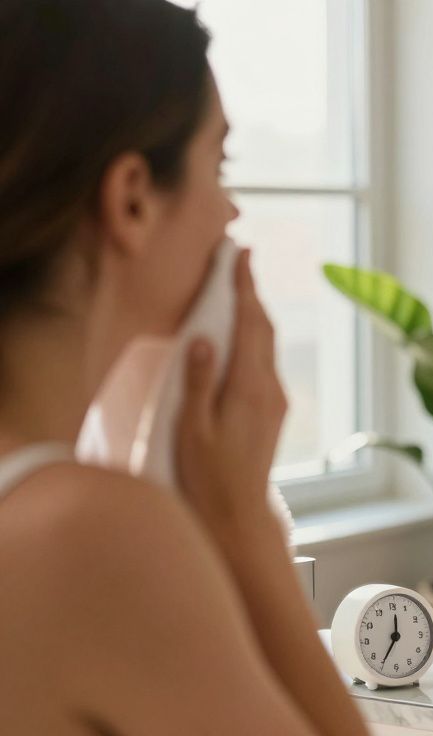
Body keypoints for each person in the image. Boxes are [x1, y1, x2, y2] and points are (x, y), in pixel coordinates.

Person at [0, 1, 369, 732]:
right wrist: (242, 525)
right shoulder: (90, 535)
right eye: (218, 163)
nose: (230, 214)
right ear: (132, 199)